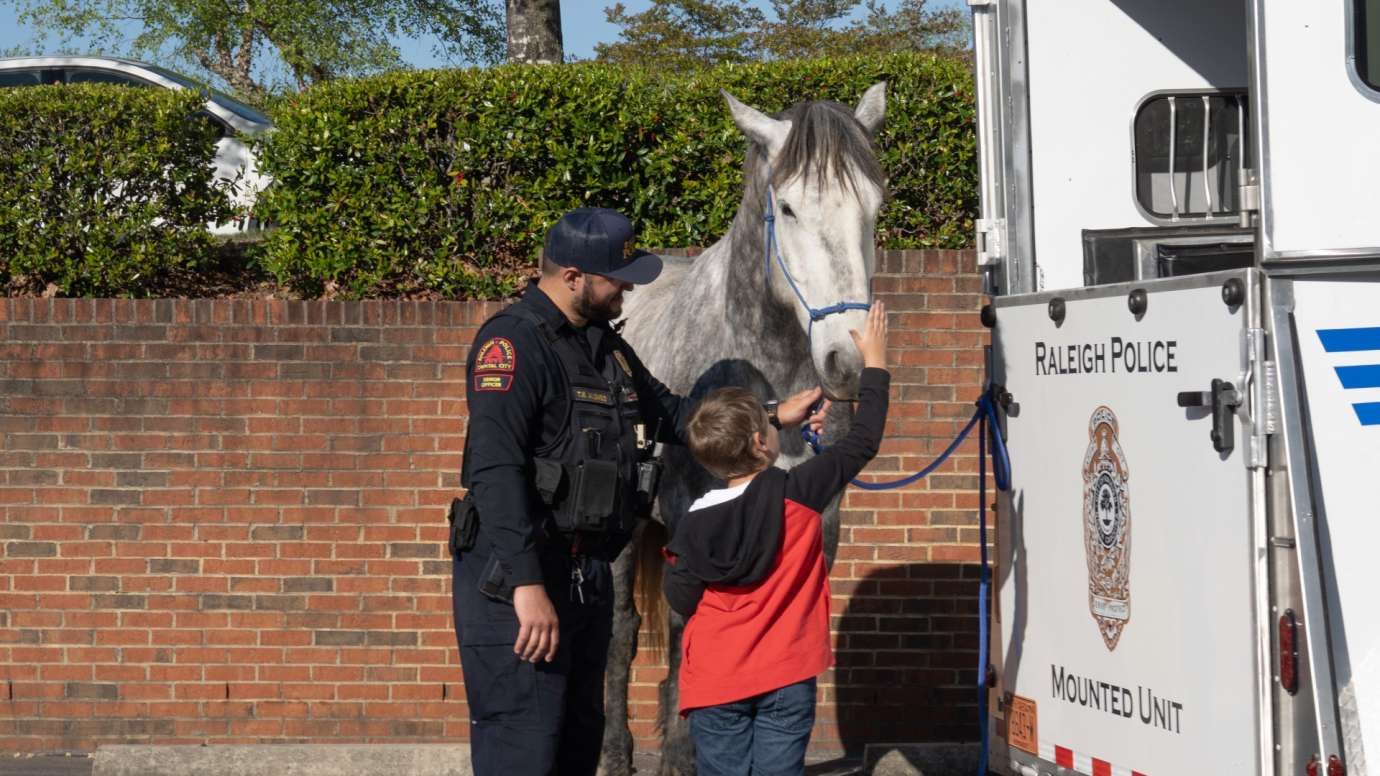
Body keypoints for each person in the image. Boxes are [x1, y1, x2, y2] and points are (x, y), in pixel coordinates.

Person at [452, 207, 825, 776]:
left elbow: (677, 417)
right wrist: (527, 586)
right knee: (523, 747)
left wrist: (773, 415)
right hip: (519, 581)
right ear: (573, 276)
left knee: (577, 742)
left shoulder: (604, 345)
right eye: (616, 278)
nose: (628, 287)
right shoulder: (512, 345)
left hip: (584, 577)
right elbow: (494, 471)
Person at [662, 302, 891, 776]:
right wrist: (876, 363)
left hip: (716, 680)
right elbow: (864, 439)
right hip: (786, 675)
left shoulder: (691, 524)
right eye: (770, 424)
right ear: (760, 444)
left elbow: (681, 596)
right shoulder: (801, 493)